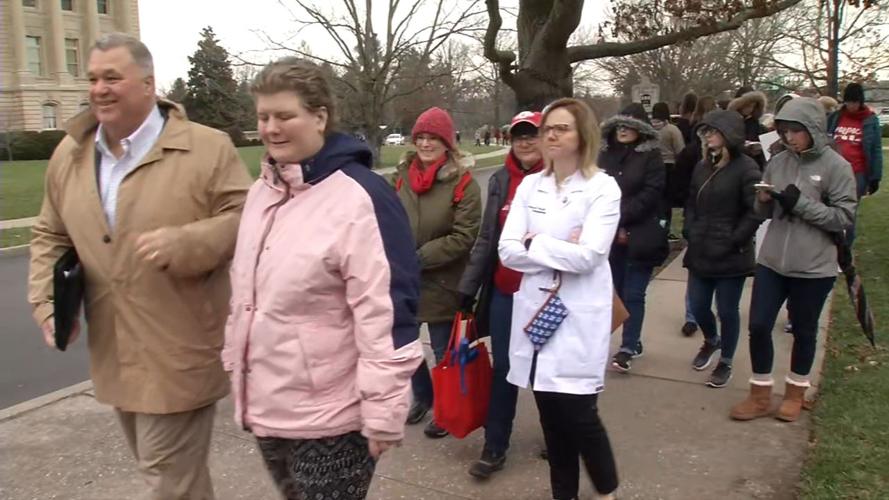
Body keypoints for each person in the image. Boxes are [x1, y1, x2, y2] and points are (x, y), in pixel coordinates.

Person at [28, 33, 252, 499]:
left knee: (169, 483)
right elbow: (51, 233)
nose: (99, 89)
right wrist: (48, 302)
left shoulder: (208, 149)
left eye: (113, 77)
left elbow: (247, 220)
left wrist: (190, 241)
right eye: (92, 78)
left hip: (181, 350)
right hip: (114, 352)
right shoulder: (70, 155)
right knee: (176, 481)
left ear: (149, 84)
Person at [222, 58, 422, 500]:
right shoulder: (262, 193)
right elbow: (249, 298)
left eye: (284, 115)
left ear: (319, 116)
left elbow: (386, 315)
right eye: (263, 116)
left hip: (335, 416)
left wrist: (385, 410)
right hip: (268, 404)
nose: (271, 128)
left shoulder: (362, 197)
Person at [499, 97, 621, 500]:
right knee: (550, 415)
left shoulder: (603, 188)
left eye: (561, 128)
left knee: (580, 414)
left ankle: (606, 488)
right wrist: (553, 246)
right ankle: (563, 494)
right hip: (537, 311)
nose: (550, 135)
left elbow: (589, 256)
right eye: (547, 128)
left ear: (582, 134)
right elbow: (507, 249)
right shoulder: (531, 186)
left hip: (578, 313)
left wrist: (536, 242)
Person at [730, 97, 857, 423]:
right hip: (773, 259)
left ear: (813, 129)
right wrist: (762, 201)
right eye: (784, 131)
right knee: (758, 325)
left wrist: (798, 202)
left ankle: (795, 392)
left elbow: (843, 218)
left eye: (796, 131)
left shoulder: (836, 167)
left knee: (803, 329)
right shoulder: (779, 161)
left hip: (813, 265)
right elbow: (766, 211)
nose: (789, 138)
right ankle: (760, 393)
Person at [457, 111, 545, 479]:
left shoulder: (560, 180)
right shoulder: (500, 179)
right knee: (506, 371)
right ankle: (495, 446)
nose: (524, 142)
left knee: (546, 372)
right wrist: (468, 288)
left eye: (531, 135)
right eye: (518, 136)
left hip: (545, 298)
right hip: (507, 294)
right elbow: (487, 240)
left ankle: (559, 435)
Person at [392, 107, 482, 439]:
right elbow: (388, 217)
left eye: (433, 138)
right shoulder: (401, 176)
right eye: (421, 138)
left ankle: (446, 408)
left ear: (447, 143)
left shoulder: (463, 183)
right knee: (404, 345)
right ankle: (423, 397)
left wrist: (418, 257)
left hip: (443, 280)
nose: (426, 144)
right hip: (405, 280)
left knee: (444, 351)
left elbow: (463, 236)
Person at [683, 110, 762, 388]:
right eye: (705, 132)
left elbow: (755, 211)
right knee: (698, 305)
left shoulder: (746, 168)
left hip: (731, 254)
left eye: (713, 132)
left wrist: (735, 239)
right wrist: (690, 229)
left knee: (727, 310)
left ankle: (726, 359)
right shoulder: (702, 165)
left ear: (729, 136)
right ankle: (711, 340)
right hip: (701, 248)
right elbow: (691, 200)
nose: (708, 137)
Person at [599, 104, 667, 372]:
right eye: (620, 126)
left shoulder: (652, 158)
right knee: (612, 290)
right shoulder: (604, 156)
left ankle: (627, 347)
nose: (624, 130)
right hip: (608, 236)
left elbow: (652, 193)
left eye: (630, 126)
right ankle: (623, 340)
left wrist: (620, 216)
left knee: (634, 292)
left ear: (641, 130)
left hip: (641, 232)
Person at [826, 82, 883, 245]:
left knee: (848, 213)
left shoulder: (870, 120)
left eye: (854, 102)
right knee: (829, 209)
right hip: (833, 171)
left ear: (860, 102)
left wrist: (875, 177)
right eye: (848, 102)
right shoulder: (835, 117)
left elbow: (876, 150)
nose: (851, 106)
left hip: (856, 173)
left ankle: (845, 251)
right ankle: (829, 246)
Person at [652, 102, 686, 240]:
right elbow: (680, 149)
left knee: (656, 199)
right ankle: (667, 229)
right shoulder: (672, 130)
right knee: (667, 200)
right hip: (670, 166)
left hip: (653, 167)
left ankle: (656, 228)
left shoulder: (648, 129)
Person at [728, 89, 769, 169]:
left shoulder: (760, 128)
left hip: (755, 166)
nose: (749, 109)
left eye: (752, 106)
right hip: (734, 167)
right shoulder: (730, 124)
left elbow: (767, 154)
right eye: (747, 106)